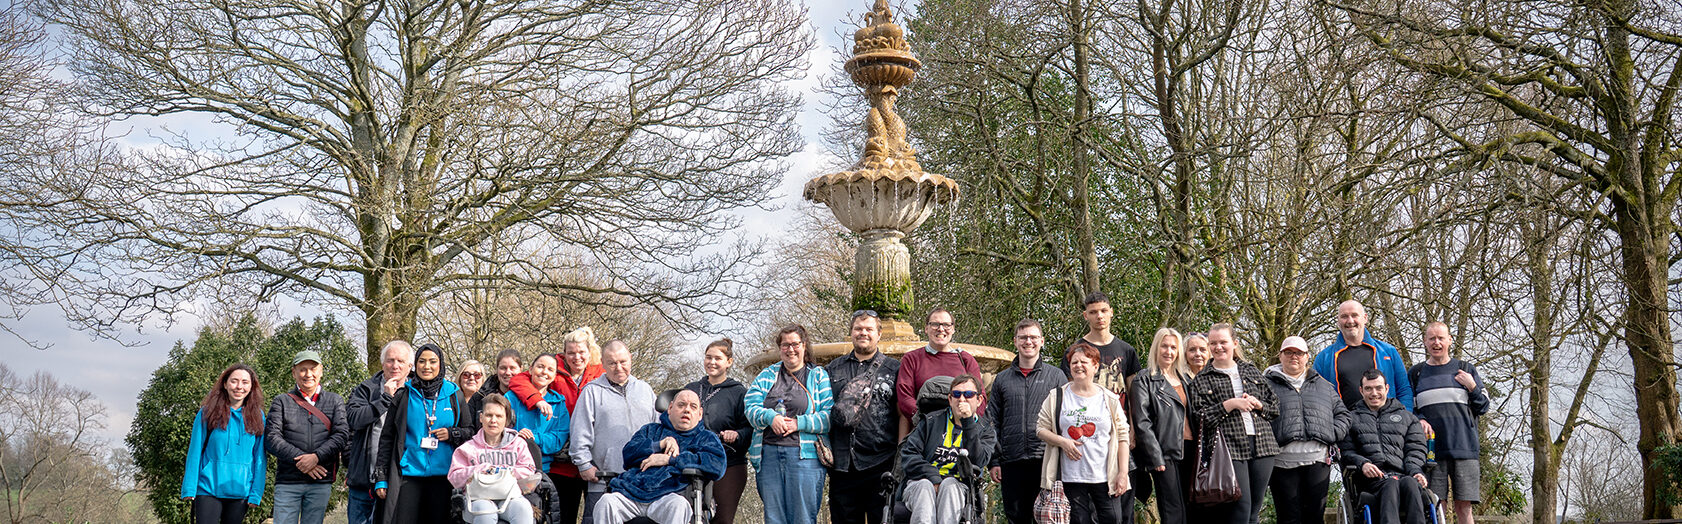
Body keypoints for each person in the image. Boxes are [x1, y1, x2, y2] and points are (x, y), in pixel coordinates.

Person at [511, 327, 605, 524]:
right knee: (562, 515)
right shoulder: (553, 370)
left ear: (590, 352)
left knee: (596, 515)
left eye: (581, 352)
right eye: (570, 352)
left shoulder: (601, 374)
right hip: (561, 463)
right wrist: (537, 399)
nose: (576, 357)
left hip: (593, 457)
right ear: (564, 353)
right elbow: (519, 380)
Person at [1187, 324, 1279, 524]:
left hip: (1263, 447)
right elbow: (1199, 418)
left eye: (1223, 342)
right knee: (1240, 508)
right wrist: (1229, 405)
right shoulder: (1202, 379)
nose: (1218, 347)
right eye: (1213, 343)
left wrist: (1259, 404)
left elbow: (1274, 408)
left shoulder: (1251, 371)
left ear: (1234, 343)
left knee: (1254, 509)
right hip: (1229, 448)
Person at [595, 390, 727, 524]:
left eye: (693, 407)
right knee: (606, 502)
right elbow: (628, 454)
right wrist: (659, 445)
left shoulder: (706, 438)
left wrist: (671, 460)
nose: (687, 410)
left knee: (678, 505)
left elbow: (716, 465)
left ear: (700, 414)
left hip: (670, 495)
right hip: (631, 493)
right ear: (670, 408)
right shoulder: (650, 430)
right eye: (681, 405)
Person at [375, 343, 474, 524]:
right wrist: (381, 478)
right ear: (415, 365)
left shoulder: (454, 394)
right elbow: (387, 438)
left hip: (444, 477)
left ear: (440, 364)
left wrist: (452, 434)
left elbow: (470, 432)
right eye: (422, 361)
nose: (427, 366)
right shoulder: (404, 394)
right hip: (409, 474)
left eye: (432, 362)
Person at [744, 324, 833, 524]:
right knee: (774, 518)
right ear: (779, 348)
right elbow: (749, 407)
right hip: (769, 456)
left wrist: (797, 423)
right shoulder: (768, 375)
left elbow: (828, 417)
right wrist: (770, 417)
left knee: (803, 518)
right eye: (785, 345)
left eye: (795, 344)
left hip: (805, 459)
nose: (790, 349)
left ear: (804, 345)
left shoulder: (818, 376)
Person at [1037, 343, 1131, 524]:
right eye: (1074, 362)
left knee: (1113, 518)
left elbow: (1123, 436)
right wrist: (1062, 441)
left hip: (1104, 475)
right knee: (1079, 520)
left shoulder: (1109, 398)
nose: (1078, 366)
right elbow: (1041, 428)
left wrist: (1123, 472)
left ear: (1095, 366)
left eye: (1084, 362)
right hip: (1071, 476)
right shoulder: (1057, 396)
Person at [987, 318, 1068, 524]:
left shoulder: (1057, 376)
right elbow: (992, 421)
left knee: (1048, 516)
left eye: (1033, 337)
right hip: (1011, 460)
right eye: (1023, 337)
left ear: (1041, 341)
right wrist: (994, 460)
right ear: (1015, 341)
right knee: (1016, 517)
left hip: (1047, 459)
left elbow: (1066, 418)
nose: (1028, 342)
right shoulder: (1002, 379)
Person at [825, 310, 902, 524]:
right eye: (858, 328)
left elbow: (903, 413)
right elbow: (821, 409)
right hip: (843, 465)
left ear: (879, 334)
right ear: (851, 332)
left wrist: (899, 456)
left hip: (882, 462)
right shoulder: (833, 368)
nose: (863, 333)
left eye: (869, 329)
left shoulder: (895, 368)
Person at [570, 340, 657, 524]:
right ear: (603, 363)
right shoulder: (591, 392)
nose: (619, 367)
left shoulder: (646, 390)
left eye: (623, 361)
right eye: (612, 363)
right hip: (604, 480)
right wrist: (584, 464)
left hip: (642, 479)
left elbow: (658, 429)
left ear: (630, 359)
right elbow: (579, 432)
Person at [1408, 322, 1488, 524]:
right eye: (1432, 338)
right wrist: (1420, 419)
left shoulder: (1466, 369)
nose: (1436, 343)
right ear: (1425, 342)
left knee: (1464, 507)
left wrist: (1472, 387)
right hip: (1431, 451)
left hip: (1465, 449)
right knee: (1436, 506)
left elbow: (1484, 406)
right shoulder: (1416, 374)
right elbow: (1408, 408)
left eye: (1441, 338)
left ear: (1449, 340)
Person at [1265, 336, 1349, 524]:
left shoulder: (1323, 386)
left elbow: (1343, 415)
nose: (1294, 356)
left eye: (1299, 353)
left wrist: (1331, 434)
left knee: (1314, 518)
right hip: (1281, 464)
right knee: (1288, 518)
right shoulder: (1265, 385)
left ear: (1307, 357)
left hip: (1317, 463)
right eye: (1288, 352)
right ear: (1280, 356)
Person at [267, 350, 351, 524]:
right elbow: (272, 438)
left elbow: (342, 435)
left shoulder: (335, 400)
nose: (308, 374)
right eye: (302, 369)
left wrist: (316, 457)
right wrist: (303, 462)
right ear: (294, 372)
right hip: (288, 481)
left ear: (321, 370)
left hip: (320, 481)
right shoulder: (281, 401)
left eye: (313, 369)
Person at [901, 374, 996, 524]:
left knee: (950, 485)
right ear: (950, 399)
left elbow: (978, 461)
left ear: (979, 400)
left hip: (959, 486)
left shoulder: (985, 430)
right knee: (925, 487)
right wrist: (934, 478)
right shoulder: (930, 421)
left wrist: (968, 422)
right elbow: (908, 455)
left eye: (969, 394)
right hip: (922, 482)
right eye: (957, 394)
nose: (962, 399)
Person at [181, 363, 268, 524]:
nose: (239, 386)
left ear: (251, 387)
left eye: (245, 382)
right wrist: (190, 487)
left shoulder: (258, 416)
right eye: (234, 381)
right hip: (208, 488)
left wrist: (256, 493)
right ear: (225, 384)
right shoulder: (208, 412)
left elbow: (260, 458)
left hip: (241, 491)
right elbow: (195, 451)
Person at [1342, 370, 1430, 524]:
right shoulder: (1350, 419)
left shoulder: (1408, 418)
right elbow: (1346, 451)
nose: (1374, 393)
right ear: (1361, 391)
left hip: (1404, 475)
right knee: (1391, 483)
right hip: (1371, 481)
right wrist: (1363, 464)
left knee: (1410, 483)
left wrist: (1416, 471)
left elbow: (1416, 450)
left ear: (1387, 389)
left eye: (1378, 388)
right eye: (1368, 388)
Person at [683, 338, 753, 524]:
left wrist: (737, 435)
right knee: (687, 516)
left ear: (729, 362)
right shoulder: (691, 389)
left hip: (728, 463)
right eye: (708, 357)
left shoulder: (738, 392)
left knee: (722, 520)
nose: (712, 362)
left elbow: (749, 428)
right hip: (693, 461)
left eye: (717, 358)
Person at [1129, 328, 1193, 524]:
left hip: (1191, 450)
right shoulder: (1144, 378)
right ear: (1156, 348)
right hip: (1166, 452)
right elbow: (1142, 422)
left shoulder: (1186, 379)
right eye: (1164, 346)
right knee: (1172, 508)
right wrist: (1155, 457)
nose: (1169, 351)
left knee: (1191, 507)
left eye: (1173, 347)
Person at [347, 341, 414, 524]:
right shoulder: (366, 389)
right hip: (365, 481)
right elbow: (353, 419)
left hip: (403, 481)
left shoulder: (418, 393)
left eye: (401, 361)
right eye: (390, 360)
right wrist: (384, 399)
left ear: (410, 366)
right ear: (383, 363)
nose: (395, 366)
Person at [449, 394, 539, 524]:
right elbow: (454, 477)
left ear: (507, 419)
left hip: (510, 496)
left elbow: (529, 470)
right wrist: (478, 470)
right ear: (481, 417)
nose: (493, 420)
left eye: (499, 416)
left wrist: (503, 471)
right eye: (489, 415)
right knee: (485, 511)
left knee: (523, 508)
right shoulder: (468, 448)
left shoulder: (518, 444)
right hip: (477, 499)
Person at [1313, 300, 1415, 410]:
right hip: (1345, 425)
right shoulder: (1324, 358)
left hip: (1386, 423)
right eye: (1344, 316)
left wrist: (1404, 419)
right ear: (1338, 321)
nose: (1350, 321)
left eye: (1354, 315)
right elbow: (1316, 396)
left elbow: (1404, 389)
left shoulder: (1388, 352)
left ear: (1365, 318)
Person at [895, 308, 982, 438]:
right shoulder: (912, 359)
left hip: (960, 433)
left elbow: (981, 397)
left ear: (953, 329)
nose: (941, 329)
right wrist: (927, 421)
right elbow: (904, 397)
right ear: (926, 329)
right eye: (935, 324)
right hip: (923, 433)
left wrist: (966, 420)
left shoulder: (966, 360)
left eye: (946, 325)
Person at [1061, 292, 1140, 396]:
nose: (1099, 316)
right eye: (1093, 312)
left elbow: (1133, 393)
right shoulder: (1074, 352)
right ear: (1085, 315)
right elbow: (1069, 392)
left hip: (1118, 411)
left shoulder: (1127, 350)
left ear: (1111, 312)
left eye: (1104, 311)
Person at [505, 354, 571, 472]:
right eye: (540, 367)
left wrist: (533, 439)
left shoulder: (558, 403)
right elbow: (499, 430)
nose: (544, 372)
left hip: (544, 469)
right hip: (511, 467)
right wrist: (517, 436)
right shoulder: (511, 398)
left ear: (555, 376)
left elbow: (559, 440)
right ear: (530, 369)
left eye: (550, 369)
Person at [466, 350, 522, 432]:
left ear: (521, 369)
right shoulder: (479, 397)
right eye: (503, 368)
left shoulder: (529, 398)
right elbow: (468, 429)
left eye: (512, 368)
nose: (507, 372)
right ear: (496, 369)